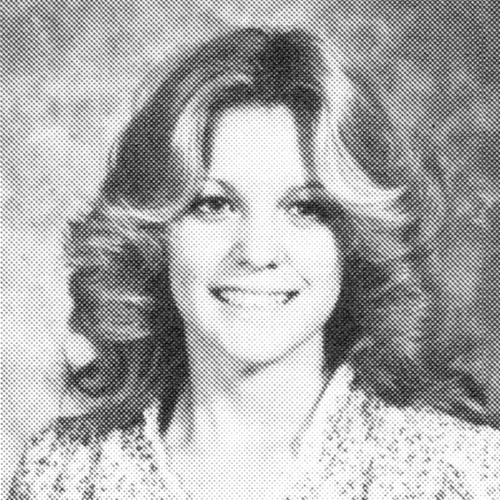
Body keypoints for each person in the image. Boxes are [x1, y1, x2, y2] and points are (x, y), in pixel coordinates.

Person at [9, 26, 499, 500]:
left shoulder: (461, 474)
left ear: (355, 238)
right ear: (153, 236)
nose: (258, 252)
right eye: (214, 205)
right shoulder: (62, 475)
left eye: (305, 208)